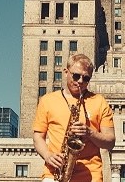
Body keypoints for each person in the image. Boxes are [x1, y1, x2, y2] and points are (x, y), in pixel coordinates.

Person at [33, 53, 115, 182]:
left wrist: (90, 132)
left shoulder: (99, 101)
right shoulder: (47, 100)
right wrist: (48, 156)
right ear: (66, 72)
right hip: (54, 172)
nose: (81, 81)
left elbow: (110, 142)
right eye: (76, 76)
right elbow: (38, 137)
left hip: (91, 175)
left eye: (86, 78)